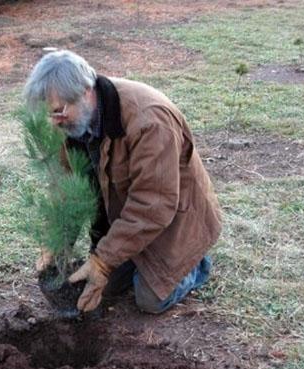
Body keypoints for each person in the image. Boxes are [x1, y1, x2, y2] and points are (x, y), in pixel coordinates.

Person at [23, 50, 222, 314]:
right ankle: (135, 259)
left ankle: (195, 264)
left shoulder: (149, 121)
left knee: (150, 300)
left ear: (85, 91)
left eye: (58, 111)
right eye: (48, 114)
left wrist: (103, 262)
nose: (54, 122)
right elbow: (67, 186)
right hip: (125, 213)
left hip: (175, 219)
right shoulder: (72, 122)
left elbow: (154, 204)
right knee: (103, 289)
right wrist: (57, 241)